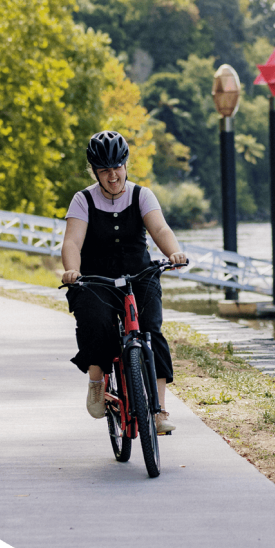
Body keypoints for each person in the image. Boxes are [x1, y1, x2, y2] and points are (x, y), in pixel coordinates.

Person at [61, 131, 187, 434]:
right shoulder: (83, 200)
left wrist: (174, 252)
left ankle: (159, 411)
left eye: (116, 166)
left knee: (152, 330)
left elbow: (159, 228)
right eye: (104, 169)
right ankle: (96, 380)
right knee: (96, 323)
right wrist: (72, 271)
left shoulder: (142, 195)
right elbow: (72, 243)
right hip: (96, 280)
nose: (112, 175)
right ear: (95, 171)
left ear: (125, 164)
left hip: (139, 276)